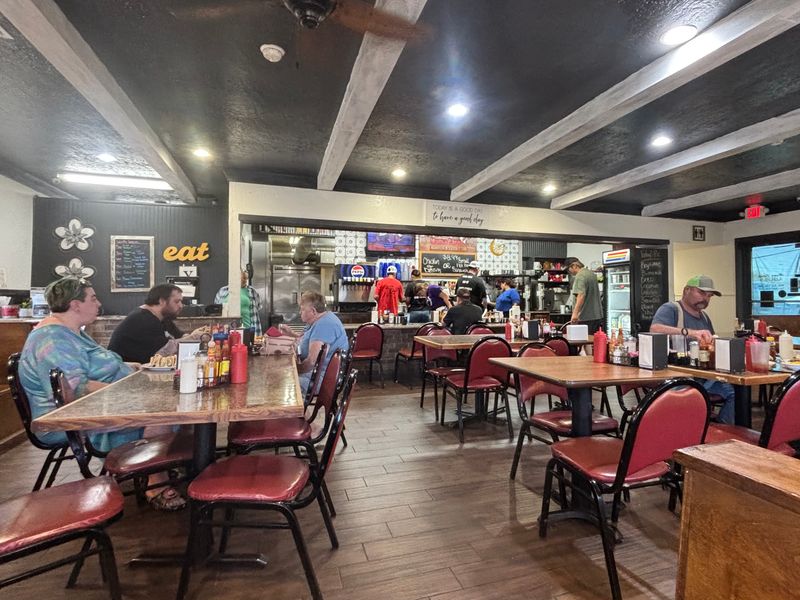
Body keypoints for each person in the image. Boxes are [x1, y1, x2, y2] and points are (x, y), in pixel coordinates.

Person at [18, 277, 183, 509]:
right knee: (161, 409)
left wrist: (130, 367)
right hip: (70, 416)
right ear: (75, 305)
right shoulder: (52, 339)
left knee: (171, 399)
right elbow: (76, 389)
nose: (99, 304)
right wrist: (131, 393)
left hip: (99, 403)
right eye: (93, 298)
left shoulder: (72, 331)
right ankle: (155, 482)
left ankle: (166, 461)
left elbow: (97, 364)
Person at [650, 275, 735, 424]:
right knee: (691, 397)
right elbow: (655, 329)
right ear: (686, 290)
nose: (705, 298)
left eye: (709, 296)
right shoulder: (671, 309)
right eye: (701, 293)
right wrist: (689, 332)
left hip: (702, 376)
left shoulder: (705, 317)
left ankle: (720, 431)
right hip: (677, 376)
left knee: (733, 393)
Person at [108, 284, 209, 364]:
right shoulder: (143, 320)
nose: (181, 306)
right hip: (128, 375)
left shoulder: (163, 318)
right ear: (162, 301)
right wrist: (194, 337)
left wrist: (197, 335)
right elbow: (164, 352)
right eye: (176, 302)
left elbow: (180, 337)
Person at [279, 291, 349, 395]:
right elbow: (305, 339)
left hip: (322, 378)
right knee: (282, 375)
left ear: (313, 311)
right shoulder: (316, 321)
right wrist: (291, 334)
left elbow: (311, 362)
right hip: (314, 373)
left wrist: (294, 369)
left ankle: (295, 406)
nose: (300, 312)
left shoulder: (324, 325)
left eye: (302, 309)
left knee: (284, 382)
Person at [214, 270, 263, 336]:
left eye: (245, 278)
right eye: (240, 278)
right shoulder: (223, 291)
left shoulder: (252, 291)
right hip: (225, 330)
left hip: (247, 328)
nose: (243, 280)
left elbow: (259, 306)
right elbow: (216, 309)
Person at [566, 256, 603, 334]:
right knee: (592, 339)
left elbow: (581, 295)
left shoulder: (580, 276)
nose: (569, 272)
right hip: (597, 316)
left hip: (585, 317)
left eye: (568, 269)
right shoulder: (591, 274)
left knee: (582, 340)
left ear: (574, 266)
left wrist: (575, 314)